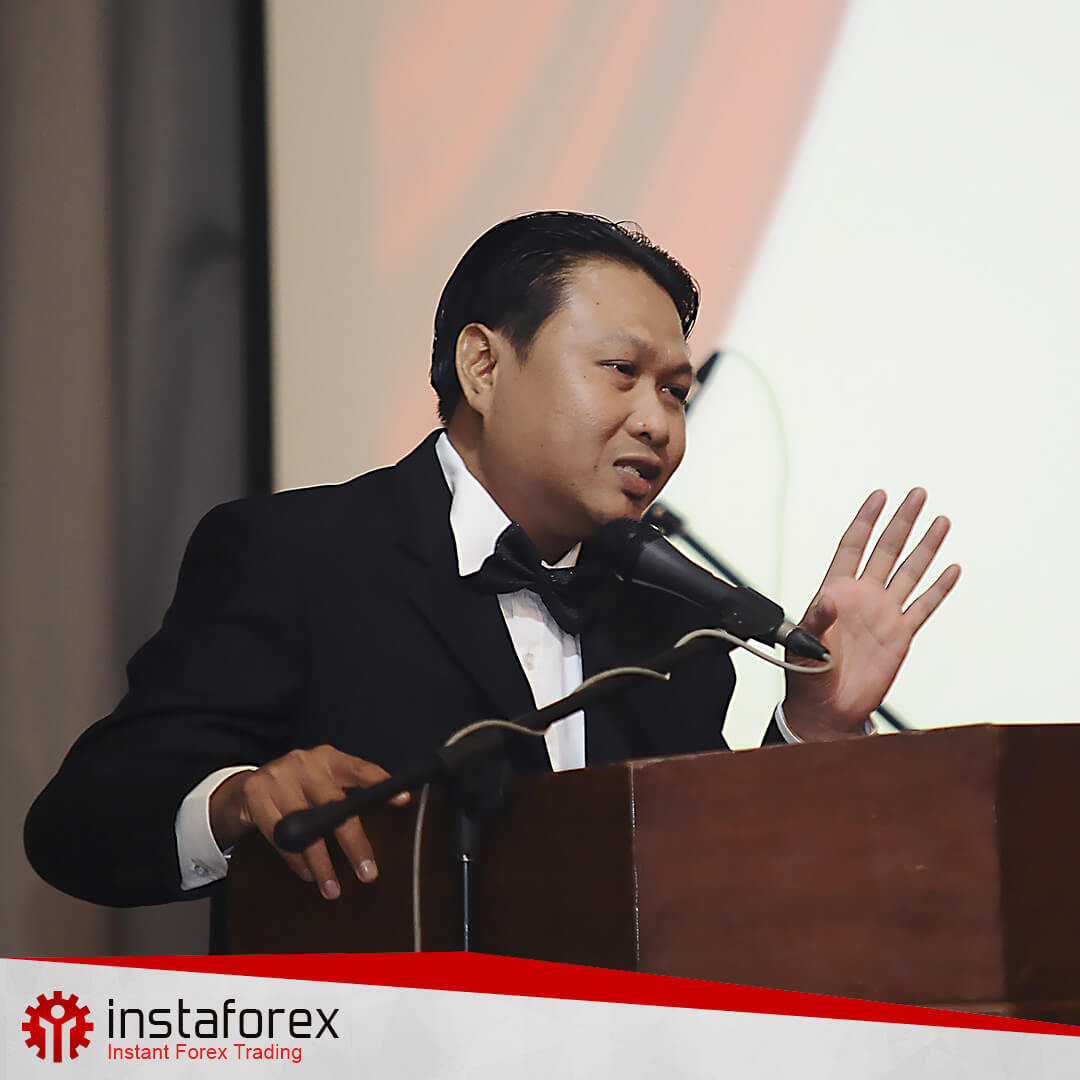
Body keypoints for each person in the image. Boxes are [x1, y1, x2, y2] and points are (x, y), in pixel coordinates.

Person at [24, 211, 960, 910]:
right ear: (482, 366)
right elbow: (80, 823)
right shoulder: (299, 555)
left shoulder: (675, 620)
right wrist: (235, 800)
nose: (658, 422)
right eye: (622, 373)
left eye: (677, 392)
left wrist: (812, 730)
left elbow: (722, 888)